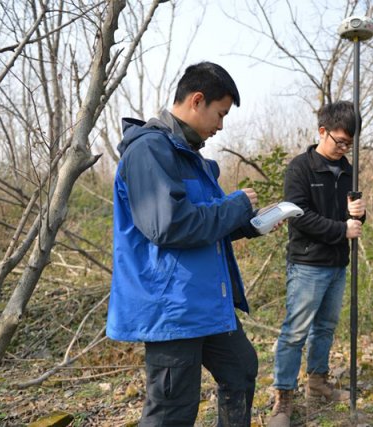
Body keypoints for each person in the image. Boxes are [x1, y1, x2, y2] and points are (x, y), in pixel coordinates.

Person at [107, 62, 265, 427]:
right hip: (172, 310)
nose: (221, 126)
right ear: (197, 100)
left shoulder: (191, 158)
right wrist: (237, 204)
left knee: (241, 370)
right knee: (172, 411)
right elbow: (170, 226)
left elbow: (206, 224)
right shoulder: (149, 151)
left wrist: (249, 224)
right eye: (220, 114)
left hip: (207, 303)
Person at [268, 101, 367, 427]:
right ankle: (283, 398)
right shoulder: (301, 168)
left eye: (349, 144)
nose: (343, 148)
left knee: (325, 328)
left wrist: (360, 214)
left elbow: (355, 219)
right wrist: (342, 229)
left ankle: (318, 383)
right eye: (339, 141)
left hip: (338, 263)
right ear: (322, 131)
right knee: (295, 333)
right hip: (308, 263)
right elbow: (299, 217)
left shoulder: (349, 170)